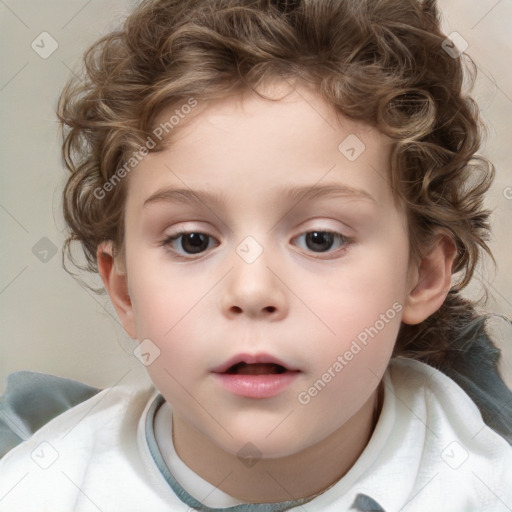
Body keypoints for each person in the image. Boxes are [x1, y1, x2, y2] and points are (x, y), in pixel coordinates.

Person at [1, 0, 511, 510]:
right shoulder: (37, 491)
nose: (251, 291)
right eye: (192, 241)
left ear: (421, 275)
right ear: (123, 289)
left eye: (320, 239)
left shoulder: (483, 490)